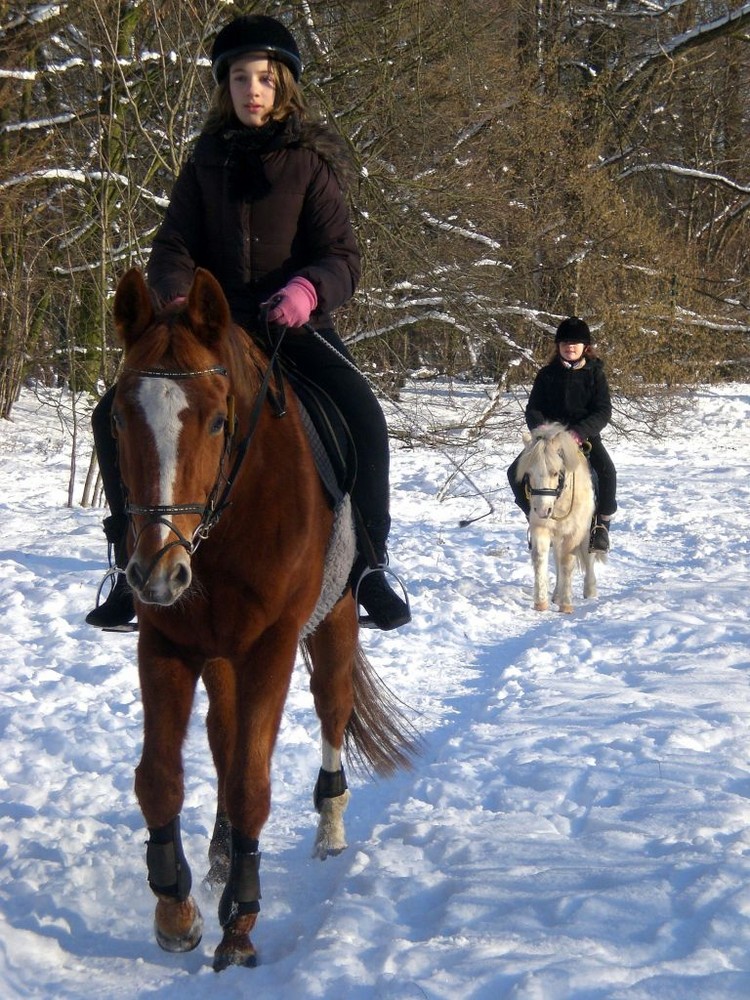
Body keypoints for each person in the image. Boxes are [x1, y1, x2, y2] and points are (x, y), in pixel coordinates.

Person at [85, 13, 410, 631]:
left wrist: (308, 289)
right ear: (224, 87)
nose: (252, 89)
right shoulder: (202, 163)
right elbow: (174, 245)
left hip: (293, 326)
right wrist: (177, 296)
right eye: (240, 77)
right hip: (210, 331)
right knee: (110, 413)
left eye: (264, 78)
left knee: (364, 414)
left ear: (282, 85)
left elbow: (342, 254)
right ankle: (130, 558)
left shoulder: (310, 164)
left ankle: (369, 565)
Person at [507, 316, 617, 551]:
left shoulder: (595, 374)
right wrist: (542, 430)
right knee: (513, 473)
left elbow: (603, 410)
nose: (570, 347)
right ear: (558, 346)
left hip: (583, 437)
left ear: (585, 347)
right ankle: (534, 517)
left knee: (607, 473)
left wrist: (580, 433)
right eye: (565, 343)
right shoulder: (547, 374)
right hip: (548, 440)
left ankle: (600, 526)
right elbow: (533, 408)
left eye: (575, 343)